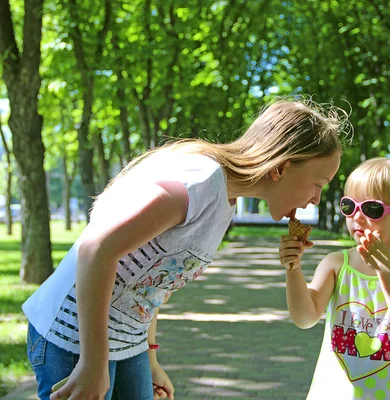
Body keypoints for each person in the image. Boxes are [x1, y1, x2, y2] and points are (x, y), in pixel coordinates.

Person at [23, 99, 348, 400]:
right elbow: (96, 250)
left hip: (126, 343)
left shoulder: (225, 203)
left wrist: (150, 357)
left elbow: (154, 283)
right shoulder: (200, 183)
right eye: (318, 184)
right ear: (281, 168)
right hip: (73, 337)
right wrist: (93, 365)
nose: (316, 199)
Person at [280, 157, 390, 399]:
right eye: (350, 206)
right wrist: (293, 268)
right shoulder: (337, 264)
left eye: (372, 209)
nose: (357, 217)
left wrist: (386, 269)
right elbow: (305, 317)